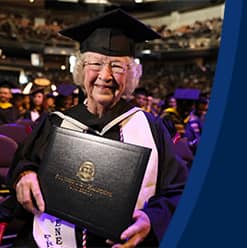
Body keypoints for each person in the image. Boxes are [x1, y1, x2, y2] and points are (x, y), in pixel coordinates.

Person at [7, 8, 188, 247]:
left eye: (117, 66)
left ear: (131, 75)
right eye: (96, 64)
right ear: (81, 70)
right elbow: (24, 164)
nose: (105, 75)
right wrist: (25, 175)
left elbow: (178, 192)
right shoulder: (54, 122)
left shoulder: (152, 129)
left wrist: (150, 219)